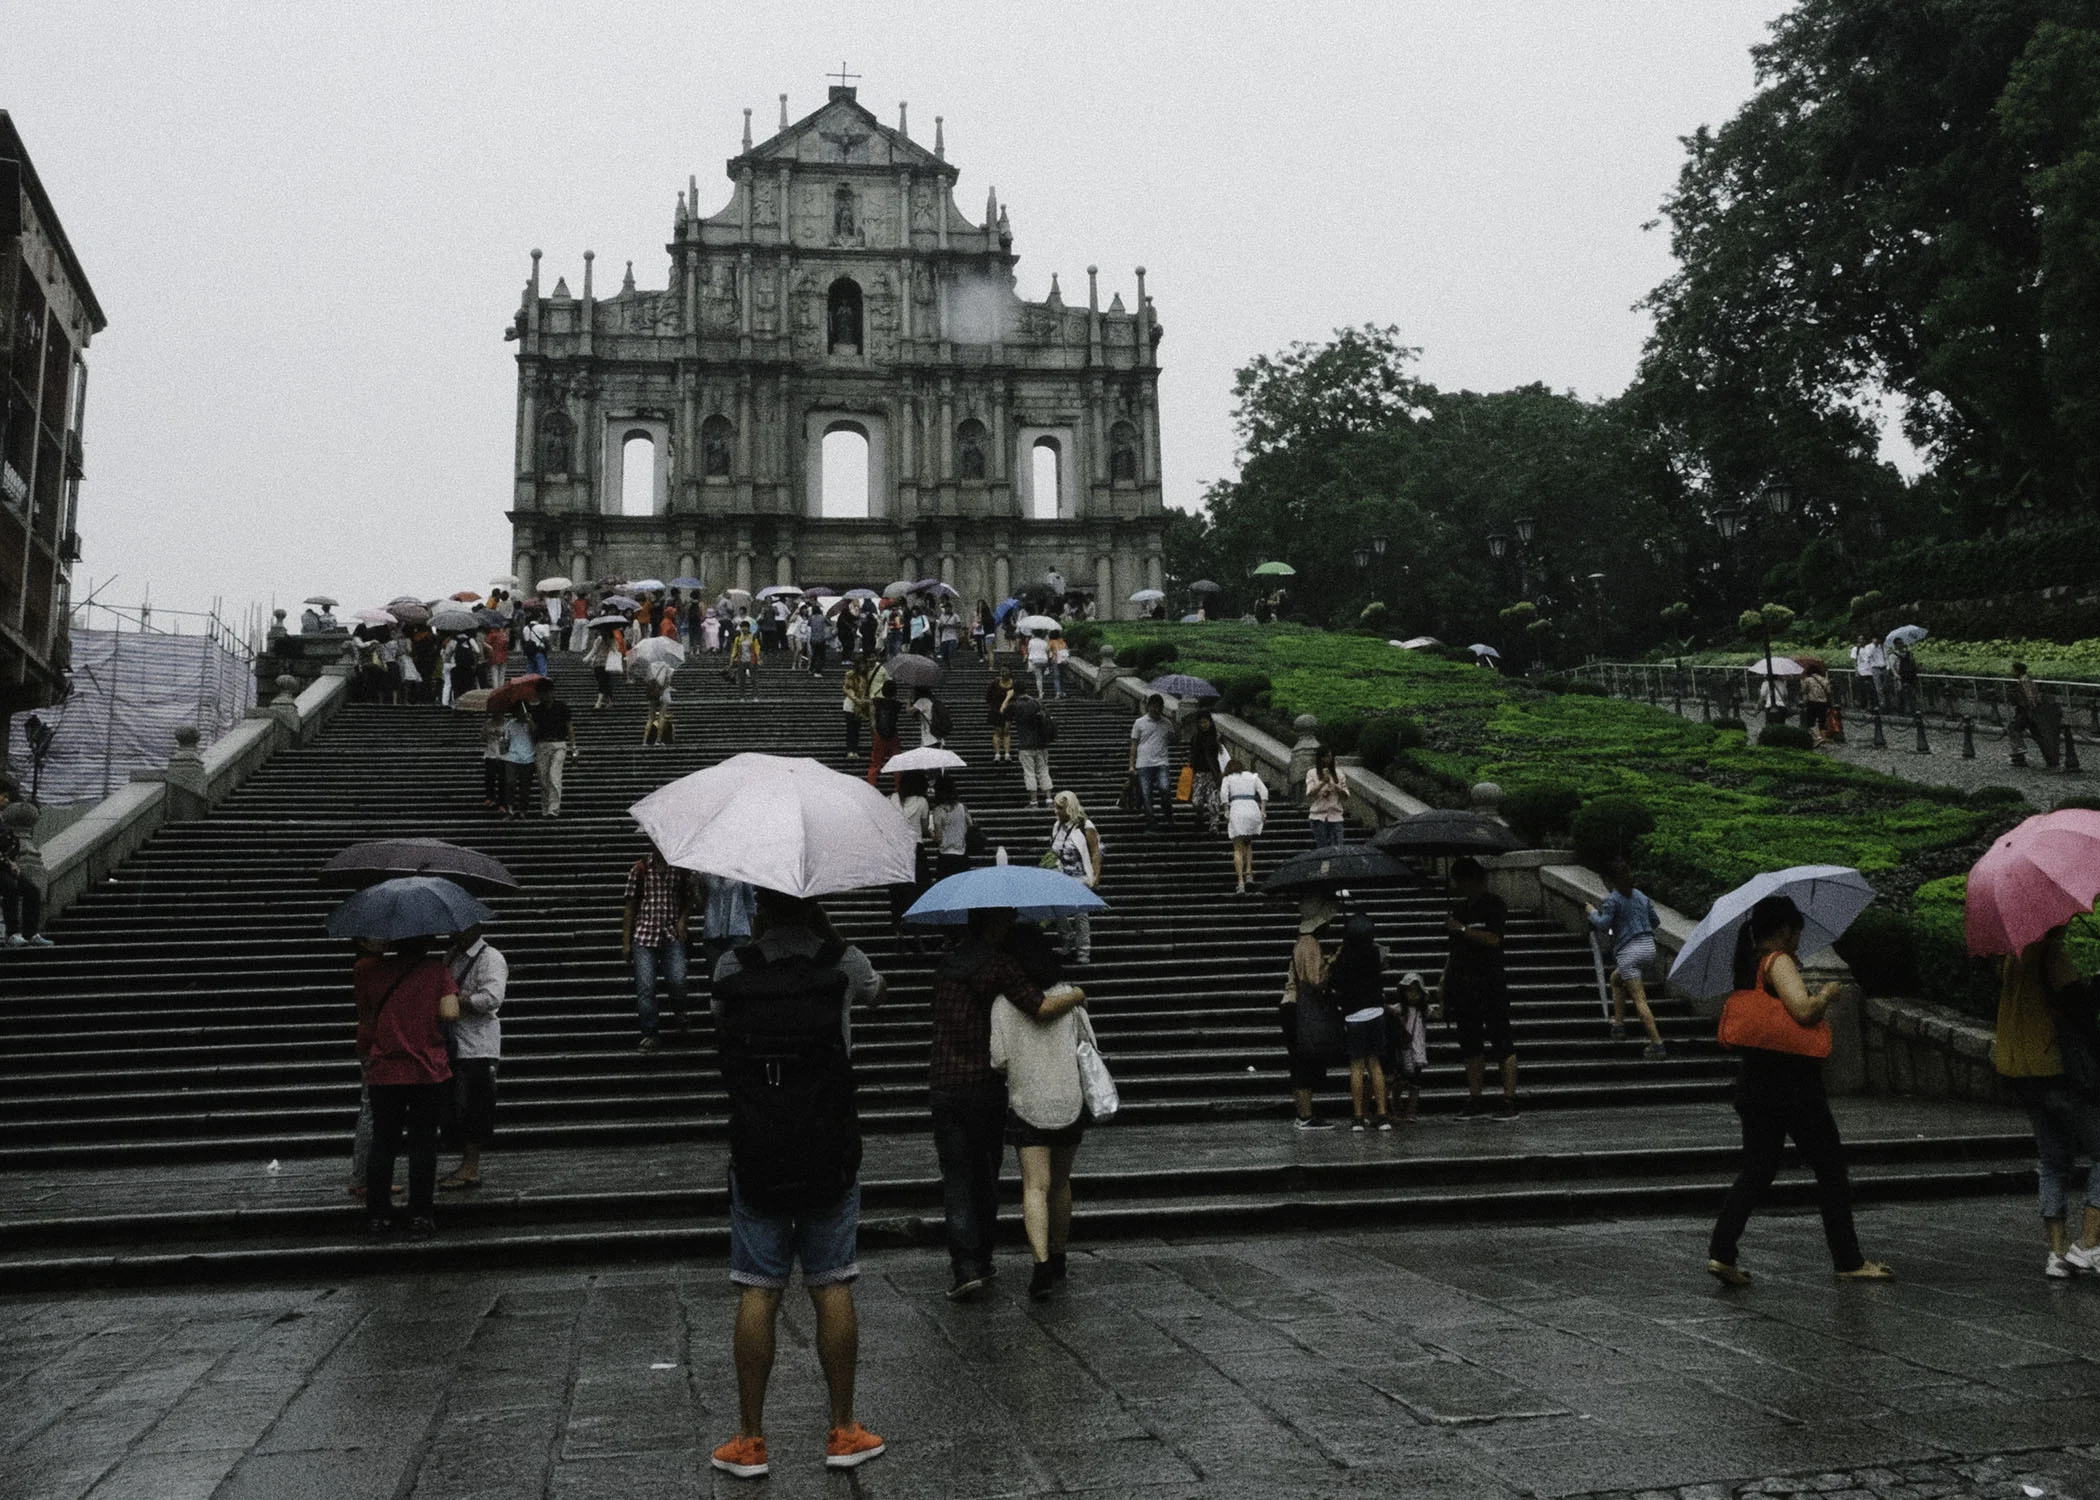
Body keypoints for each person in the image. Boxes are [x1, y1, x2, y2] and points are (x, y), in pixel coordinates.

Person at [707, 888, 887, 1479]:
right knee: (832, 1283)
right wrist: (827, 932)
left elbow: (720, 1021)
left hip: (758, 1147)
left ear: (759, 907)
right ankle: (843, 1430)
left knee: (758, 1288)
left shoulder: (734, 965)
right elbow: (876, 993)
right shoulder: (844, 962)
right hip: (829, 1146)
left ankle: (750, 1440)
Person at [1707, 894, 1891, 1285]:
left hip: (1755, 1082)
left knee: (1757, 1171)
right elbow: (1803, 1012)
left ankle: (1722, 1252)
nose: (1798, 941)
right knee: (1831, 1170)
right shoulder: (1777, 961)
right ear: (1785, 930)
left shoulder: (1748, 964)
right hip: (1792, 1086)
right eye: (1797, 933)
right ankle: (1848, 1260)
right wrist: (1826, 994)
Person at [927, 906, 1086, 1301]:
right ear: (993, 924)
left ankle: (966, 1266)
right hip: (984, 1086)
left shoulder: (946, 966)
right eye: (1006, 919)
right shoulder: (999, 968)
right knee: (985, 1174)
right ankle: (990, 1256)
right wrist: (1077, 994)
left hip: (945, 1083)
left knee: (957, 1178)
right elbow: (1039, 1006)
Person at [988, 909, 1093, 1301]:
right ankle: (1060, 1254)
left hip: (1027, 1098)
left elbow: (997, 1059)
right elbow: (1089, 1044)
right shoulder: (1068, 993)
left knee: (1035, 1185)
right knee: (1062, 1184)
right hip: (1068, 1097)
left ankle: (1040, 1264)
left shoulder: (1003, 1003)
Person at [1992, 926, 2100, 1279]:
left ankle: (2056, 1253)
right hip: (2059, 1071)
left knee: (2053, 1162)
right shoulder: (2050, 952)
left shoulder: (2011, 958)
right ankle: (2088, 1244)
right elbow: (2079, 1008)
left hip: (2025, 1075)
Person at [354, 935, 458, 1237]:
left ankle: (378, 1216)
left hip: (385, 1069)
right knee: (423, 1144)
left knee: (383, 1144)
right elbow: (450, 1013)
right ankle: (420, 1216)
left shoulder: (372, 970)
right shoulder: (436, 971)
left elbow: (365, 1013)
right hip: (428, 1070)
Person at [1440, 856, 1517, 1121]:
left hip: (1491, 983)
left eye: (1460, 880)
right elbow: (1453, 953)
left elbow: (1494, 939)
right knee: (1470, 1044)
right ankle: (1476, 1097)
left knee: (1502, 1041)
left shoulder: (1494, 905)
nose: (1457, 885)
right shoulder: (1459, 910)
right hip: (1464, 985)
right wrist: (1444, 987)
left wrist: (1462, 929)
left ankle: (1509, 1099)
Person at [440, 924, 505, 1191]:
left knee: (475, 1106)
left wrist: (458, 1000)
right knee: (457, 1106)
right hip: (454, 1042)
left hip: (479, 1044)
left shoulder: (491, 958)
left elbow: (492, 998)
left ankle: (471, 1167)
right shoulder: (451, 955)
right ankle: (465, 1163)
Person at [1586, 858, 1668, 1058]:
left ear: (1608, 880)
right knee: (1616, 978)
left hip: (1629, 951)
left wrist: (1592, 913)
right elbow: (1655, 921)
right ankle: (1619, 1024)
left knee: (1639, 998)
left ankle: (1657, 1043)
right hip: (1649, 947)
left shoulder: (1613, 899)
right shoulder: (1640, 895)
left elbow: (1604, 925)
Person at [624, 845, 693, 1052]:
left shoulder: (680, 869)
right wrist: (626, 943)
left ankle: (680, 1012)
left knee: (678, 979)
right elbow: (630, 907)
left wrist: (683, 920)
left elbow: (690, 898)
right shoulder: (640, 869)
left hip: (671, 933)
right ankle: (650, 1033)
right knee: (645, 987)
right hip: (644, 935)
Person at [1330, 914, 1392, 1130]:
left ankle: (1358, 1116)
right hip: (1375, 1010)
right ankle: (1382, 1113)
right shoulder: (1374, 953)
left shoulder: (1345, 956)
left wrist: (1337, 956)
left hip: (1353, 1014)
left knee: (1356, 1066)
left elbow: (1335, 981)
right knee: (1375, 1064)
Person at [1282, 898, 1340, 1128]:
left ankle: (1303, 1113)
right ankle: (1305, 1114)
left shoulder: (1301, 942)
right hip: (1300, 1006)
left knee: (1299, 1058)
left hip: (1291, 1004)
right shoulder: (1310, 943)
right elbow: (1316, 981)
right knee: (1303, 1059)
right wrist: (1332, 963)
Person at [1048, 791, 1101, 964]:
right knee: (1058, 910)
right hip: (1061, 875)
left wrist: (1095, 876)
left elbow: (1095, 852)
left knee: (1080, 914)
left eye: (1060, 808)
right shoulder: (1057, 826)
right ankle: (1067, 937)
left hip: (1080, 876)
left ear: (1069, 808)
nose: (1056, 811)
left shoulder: (1085, 826)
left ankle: (1083, 949)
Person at [0, 788, 50, 947]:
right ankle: (12, 933)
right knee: (10, 888)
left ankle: (31, 933)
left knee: (32, 890)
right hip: (3, 866)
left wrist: (11, 861)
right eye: (4, 796)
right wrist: (8, 861)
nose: (6, 801)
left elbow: (10, 844)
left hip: (5, 866)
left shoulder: (3, 821)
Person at [1383, 971, 1430, 1124]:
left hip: (1417, 1050)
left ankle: (1411, 1108)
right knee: (1401, 1080)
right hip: (1404, 1049)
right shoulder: (1400, 1009)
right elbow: (1389, 1009)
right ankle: (1396, 1102)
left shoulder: (1423, 1011)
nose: (1413, 995)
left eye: (1416, 992)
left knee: (1415, 1082)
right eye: (1410, 992)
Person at [1129, 694, 1176, 831]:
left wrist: (1176, 724)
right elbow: (1134, 745)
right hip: (1144, 764)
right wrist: (1131, 765)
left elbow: (1175, 740)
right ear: (1148, 706)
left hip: (1162, 763)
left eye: (1159, 706)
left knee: (1165, 789)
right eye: (1154, 706)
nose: (1156, 709)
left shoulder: (1167, 723)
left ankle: (1167, 812)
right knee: (1146, 794)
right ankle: (1151, 822)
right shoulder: (1139, 723)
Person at [1220, 757, 1268, 894]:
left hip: (1237, 809)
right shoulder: (1252, 776)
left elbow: (1224, 794)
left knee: (1237, 847)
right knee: (1248, 843)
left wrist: (1226, 810)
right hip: (1252, 809)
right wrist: (1263, 810)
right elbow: (1264, 791)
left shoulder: (1228, 778)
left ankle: (1240, 881)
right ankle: (1249, 873)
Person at [529, 682, 577, 819]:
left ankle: (553, 809)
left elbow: (569, 727)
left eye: (547, 692)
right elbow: (534, 731)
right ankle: (546, 807)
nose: (544, 695)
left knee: (554, 775)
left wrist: (574, 747)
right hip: (542, 745)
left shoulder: (562, 707)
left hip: (559, 744)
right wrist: (529, 722)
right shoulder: (537, 710)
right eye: (542, 693)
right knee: (543, 778)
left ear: (552, 692)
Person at [1011, 679, 1056, 809]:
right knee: (1043, 770)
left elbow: (1005, 716)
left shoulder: (1016, 705)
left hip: (1025, 744)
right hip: (1041, 742)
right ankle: (1048, 799)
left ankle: (1034, 801)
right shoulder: (1036, 703)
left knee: (1029, 772)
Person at [2010, 661, 2059, 769]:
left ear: (2018, 671)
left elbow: (2030, 696)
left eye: (2013, 670)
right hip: (2030, 711)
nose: (2012, 672)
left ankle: (2019, 751)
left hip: (2027, 711)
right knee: (2038, 736)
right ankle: (2051, 759)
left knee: (2013, 728)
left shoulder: (2024, 680)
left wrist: (2031, 710)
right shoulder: (2025, 679)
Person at [927, 777, 974, 882]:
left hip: (946, 856)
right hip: (962, 854)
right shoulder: (962, 807)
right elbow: (970, 824)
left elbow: (938, 839)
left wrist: (930, 833)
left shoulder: (938, 811)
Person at [1186, 710, 1224, 835]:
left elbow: (1221, 755)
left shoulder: (1215, 738)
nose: (1203, 725)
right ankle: (1200, 816)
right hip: (1198, 774)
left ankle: (1214, 826)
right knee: (1197, 801)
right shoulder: (1195, 738)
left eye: (1205, 722)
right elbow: (1192, 754)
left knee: (1213, 802)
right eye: (1200, 722)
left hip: (1212, 774)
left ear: (1210, 722)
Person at [1305, 747, 1349, 850]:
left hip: (1336, 815)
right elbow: (1310, 793)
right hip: (1318, 816)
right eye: (1326, 756)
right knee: (1322, 848)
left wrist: (1335, 786)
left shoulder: (1339, 773)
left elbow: (1346, 795)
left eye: (1330, 756)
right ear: (1321, 758)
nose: (1329, 759)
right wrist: (1323, 782)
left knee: (1338, 848)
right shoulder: (1312, 773)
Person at [499, 705, 536, 817]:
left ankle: (523, 809)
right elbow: (505, 740)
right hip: (512, 756)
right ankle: (510, 807)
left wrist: (530, 722)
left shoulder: (530, 723)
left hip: (528, 756)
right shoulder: (509, 724)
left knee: (525, 785)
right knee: (510, 782)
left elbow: (536, 734)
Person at [866, 682, 904, 785]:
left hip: (879, 735)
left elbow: (871, 712)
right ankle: (898, 787)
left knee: (875, 763)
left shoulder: (877, 702)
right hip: (893, 736)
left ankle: (871, 785)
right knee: (896, 763)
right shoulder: (897, 705)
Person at [840, 657, 871, 762]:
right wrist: (855, 699)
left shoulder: (865, 677)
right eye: (861, 664)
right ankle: (850, 750)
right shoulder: (851, 674)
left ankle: (855, 749)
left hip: (860, 706)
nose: (863, 666)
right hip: (850, 705)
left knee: (857, 729)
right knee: (851, 728)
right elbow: (847, 688)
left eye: (864, 664)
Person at [480, 710, 508, 812]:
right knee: (489, 777)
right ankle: (490, 797)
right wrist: (488, 733)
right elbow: (482, 738)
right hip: (490, 753)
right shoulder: (488, 723)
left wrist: (501, 734)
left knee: (502, 780)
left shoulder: (507, 723)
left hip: (503, 754)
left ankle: (502, 803)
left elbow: (511, 738)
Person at [986, 669, 1015, 763]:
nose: (1004, 674)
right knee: (998, 731)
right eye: (1002, 671)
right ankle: (997, 754)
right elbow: (988, 697)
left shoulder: (1013, 684)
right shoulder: (994, 683)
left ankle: (1007, 754)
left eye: (1006, 671)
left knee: (1006, 731)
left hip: (1009, 710)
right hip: (996, 709)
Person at [730, 619, 762, 697]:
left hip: (752, 660)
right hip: (741, 661)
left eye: (746, 627)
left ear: (748, 628)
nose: (744, 629)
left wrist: (758, 659)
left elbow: (757, 649)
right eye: (742, 627)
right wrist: (731, 660)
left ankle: (755, 696)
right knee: (741, 680)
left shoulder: (753, 638)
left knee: (754, 680)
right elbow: (734, 650)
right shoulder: (738, 639)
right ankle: (742, 696)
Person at [807, 604, 833, 677]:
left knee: (814, 655)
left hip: (813, 638)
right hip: (821, 638)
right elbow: (830, 623)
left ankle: (811, 669)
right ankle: (818, 670)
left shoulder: (811, 618)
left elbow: (808, 624)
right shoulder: (822, 617)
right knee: (821, 655)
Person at [1026, 629, 1051, 698]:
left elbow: (1029, 650)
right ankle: (1042, 688)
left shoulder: (1031, 641)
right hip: (1044, 660)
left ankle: (1040, 693)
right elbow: (1047, 651)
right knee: (1041, 676)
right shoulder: (1044, 642)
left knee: (1038, 678)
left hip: (1035, 660)